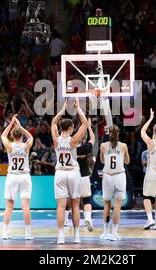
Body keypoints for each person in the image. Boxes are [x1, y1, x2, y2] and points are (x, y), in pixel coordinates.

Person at [51, 98, 88, 244]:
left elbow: (53, 123)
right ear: (71, 128)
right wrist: (78, 108)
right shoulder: (73, 140)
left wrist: (62, 109)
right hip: (73, 172)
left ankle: (61, 236)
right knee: (75, 205)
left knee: (61, 206)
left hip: (60, 173)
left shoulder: (56, 139)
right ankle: (77, 235)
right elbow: (85, 123)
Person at [1, 114, 34, 240]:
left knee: (9, 206)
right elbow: (30, 136)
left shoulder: (9, 146)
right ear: (21, 135)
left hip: (12, 176)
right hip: (24, 176)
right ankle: (27, 233)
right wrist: (21, 126)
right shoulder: (26, 146)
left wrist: (11, 123)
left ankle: (5, 232)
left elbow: (3, 135)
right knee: (25, 206)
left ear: (13, 136)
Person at [99, 125, 130, 241]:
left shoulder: (103, 146)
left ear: (108, 133)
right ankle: (114, 233)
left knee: (106, 204)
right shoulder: (123, 146)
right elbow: (127, 161)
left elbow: (102, 161)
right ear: (118, 133)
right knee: (117, 205)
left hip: (108, 176)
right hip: (119, 176)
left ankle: (106, 232)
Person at [140, 109, 156, 230]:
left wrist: (150, 118)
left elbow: (142, 131)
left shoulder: (150, 142)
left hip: (151, 173)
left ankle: (150, 219)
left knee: (147, 197)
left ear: (154, 132)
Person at [77, 118, 96, 231]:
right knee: (86, 200)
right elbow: (93, 139)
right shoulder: (85, 148)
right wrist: (88, 127)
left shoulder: (71, 147)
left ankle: (65, 220)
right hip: (84, 176)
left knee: (73, 201)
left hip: (73, 176)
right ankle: (87, 218)